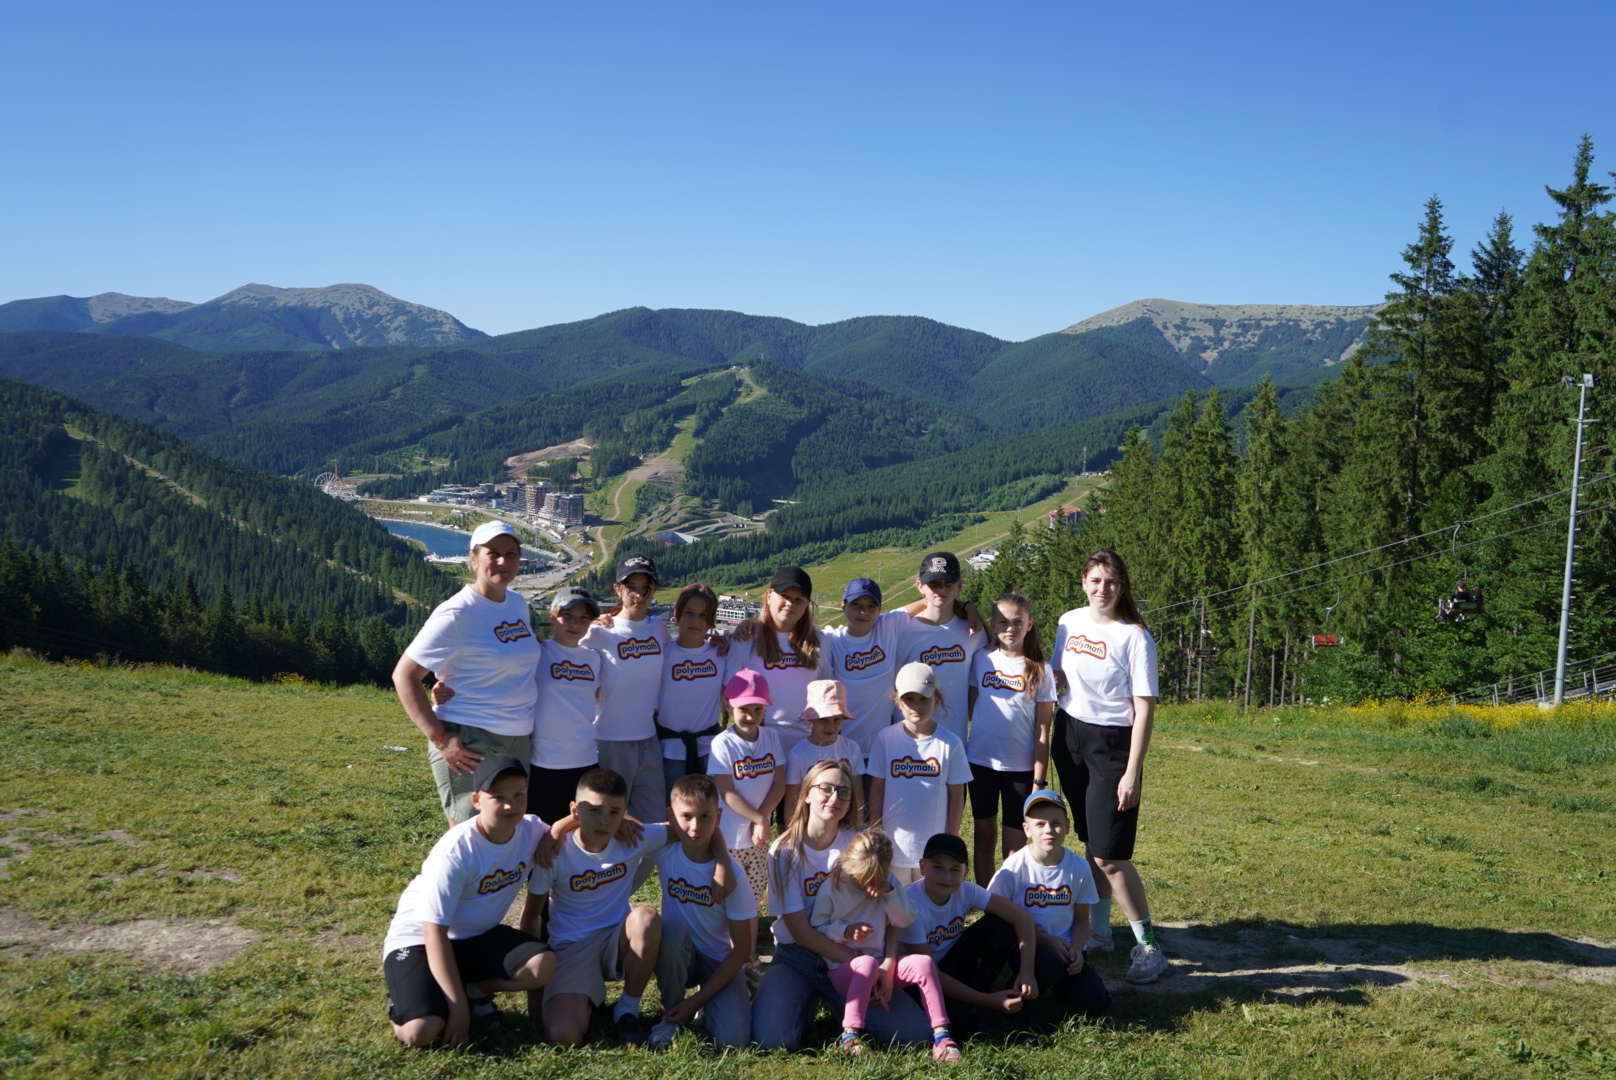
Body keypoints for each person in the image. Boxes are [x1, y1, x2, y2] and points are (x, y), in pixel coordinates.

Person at [522, 766, 729, 1046]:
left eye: (614, 812)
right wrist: (534, 989)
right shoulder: (555, 850)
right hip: (571, 948)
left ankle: (627, 1010)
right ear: (575, 809)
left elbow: (694, 827)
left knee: (645, 917)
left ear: (624, 813)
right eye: (594, 810)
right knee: (564, 1035)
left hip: (617, 942)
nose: (604, 821)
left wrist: (722, 862)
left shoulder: (632, 838)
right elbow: (531, 916)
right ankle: (584, 998)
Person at [751, 760, 936, 1051]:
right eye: (826, 788)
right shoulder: (784, 851)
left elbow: (887, 904)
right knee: (771, 1043)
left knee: (915, 1036)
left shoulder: (861, 843)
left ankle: (844, 1004)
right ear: (806, 794)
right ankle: (812, 1000)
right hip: (800, 957)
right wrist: (862, 969)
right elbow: (800, 932)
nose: (835, 798)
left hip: (860, 956)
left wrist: (886, 963)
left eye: (844, 792)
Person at [381, 754, 556, 1048]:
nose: (510, 805)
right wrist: (458, 1010)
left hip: (475, 937)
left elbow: (569, 827)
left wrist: (622, 822)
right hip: (420, 940)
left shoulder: (532, 829)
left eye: (518, 794)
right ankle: (408, 1001)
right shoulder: (456, 851)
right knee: (421, 1033)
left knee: (543, 966)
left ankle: (474, 989)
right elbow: (433, 932)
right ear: (476, 800)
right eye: (498, 797)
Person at [1051, 549, 1166, 984]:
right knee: (1091, 843)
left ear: (1123, 587)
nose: (1103, 589)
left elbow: (1145, 706)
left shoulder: (1135, 637)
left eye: (1112, 582)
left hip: (1113, 746)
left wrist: (1132, 771)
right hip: (1070, 736)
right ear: (1083, 582)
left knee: (1110, 855)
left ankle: (1149, 945)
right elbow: (1058, 674)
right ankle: (1100, 933)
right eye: (1095, 581)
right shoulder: (1069, 621)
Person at [394, 521, 541, 825]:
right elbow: (404, 675)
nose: (504, 561)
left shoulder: (516, 603)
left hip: (518, 737)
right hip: (471, 738)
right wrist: (441, 739)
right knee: (471, 836)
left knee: (507, 833)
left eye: (511, 554)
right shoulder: (457, 613)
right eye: (493, 553)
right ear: (473, 558)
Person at [809, 829, 960, 1062]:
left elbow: (904, 919)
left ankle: (942, 1036)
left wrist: (889, 892)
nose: (869, 884)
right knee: (866, 964)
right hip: (844, 969)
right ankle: (850, 1037)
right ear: (850, 864)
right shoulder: (834, 886)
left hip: (881, 965)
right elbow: (817, 927)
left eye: (876, 877)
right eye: (862, 878)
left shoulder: (888, 883)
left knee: (924, 963)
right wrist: (844, 931)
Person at [647, 774, 758, 1050]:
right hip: (678, 955)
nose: (695, 826)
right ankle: (672, 1016)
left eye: (705, 817)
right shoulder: (665, 848)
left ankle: (708, 1001)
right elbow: (623, 827)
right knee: (671, 933)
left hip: (718, 960)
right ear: (670, 816)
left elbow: (742, 949)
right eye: (686, 816)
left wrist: (696, 1001)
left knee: (732, 1042)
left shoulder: (732, 876)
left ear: (718, 816)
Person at [898, 833, 1040, 1034]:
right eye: (937, 867)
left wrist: (1027, 971)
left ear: (966, 873)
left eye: (954, 869)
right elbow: (931, 974)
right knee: (967, 1028)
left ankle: (982, 991)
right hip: (921, 980)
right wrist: (989, 1001)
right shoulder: (910, 905)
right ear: (922, 866)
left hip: (952, 964)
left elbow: (1022, 918)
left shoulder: (966, 890)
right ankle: (978, 1002)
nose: (946, 876)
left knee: (1001, 924)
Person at [986, 790, 1111, 1018]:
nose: (1048, 830)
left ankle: (1065, 985)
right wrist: (1044, 939)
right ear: (1027, 829)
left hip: (1067, 948)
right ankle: (1018, 989)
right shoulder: (1013, 868)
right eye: (1040, 824)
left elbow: (1082, 920)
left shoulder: (1079, 867)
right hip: (1027, 948)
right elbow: (996, 920)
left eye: (1055, 823)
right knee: (1048, 965)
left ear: (1067, 826)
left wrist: (1077, 950)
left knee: (1094, 1004)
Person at [965, 593, 1055, 886]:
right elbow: (972, 705)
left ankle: (1010, 904)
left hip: (1021, 769)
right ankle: (986, 900)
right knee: (984, 836)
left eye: (1018, 621)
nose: (1010, 628)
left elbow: (1043, 730)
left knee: (1014, 847)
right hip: (980, 762)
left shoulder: (1041, 670)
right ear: (993, 624)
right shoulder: (981, 659)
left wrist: (1038, 782)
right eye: (1003, 621)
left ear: (1029, 624)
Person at [581, 554, 670, 827]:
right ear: (618, 588)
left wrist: (715, 641)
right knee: (609, 826)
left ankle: (631, 872)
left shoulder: (659, 629)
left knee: (653, 827)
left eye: (647, 587)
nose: (640, 595)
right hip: (609, 741)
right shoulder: (598, 633)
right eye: (632, 587)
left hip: (649, 740)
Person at [867, 663, 969, 883]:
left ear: (937, 699)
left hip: (933, 851)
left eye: (924, 698)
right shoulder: (885, 739)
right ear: (897, 701)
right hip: (894, 847)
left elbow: (957, 794)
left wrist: (950, 838)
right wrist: (877, 833)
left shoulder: (950, 743)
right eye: (909, 699)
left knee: (927, 910)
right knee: (896, 910)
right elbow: (877, 789)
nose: (917, 706)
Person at [725, 566, 830, 755]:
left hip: (806, 746)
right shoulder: (746, 639)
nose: (791, 603)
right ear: (769, 596)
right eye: (785, 596)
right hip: (756, 744)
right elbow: (727, 692)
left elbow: (826, 695)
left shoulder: (819, 641)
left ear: (807, 605)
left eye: (799, 600)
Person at [708, 669, 785, 906]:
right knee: (727, 895)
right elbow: (727, 792)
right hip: (729, 836)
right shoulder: (722, 743)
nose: (751, 717)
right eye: (744, 709)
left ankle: (747, 938)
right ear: (729, 705)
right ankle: (725, 939)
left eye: (758, 710)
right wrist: (759, 819)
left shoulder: (771, 737)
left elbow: (779, 783)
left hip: (757, 837)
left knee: (753, 893)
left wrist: (760, 819)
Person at [529, 586, 605, 826]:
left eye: (583, 618)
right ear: (553, 617)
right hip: (544, 763)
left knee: (580, 834)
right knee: (543, 835)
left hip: (586, 760)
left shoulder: (594, 657)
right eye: (567, 616)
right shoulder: (538, 651)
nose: (575, 624)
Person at [819, 578, 908, 771]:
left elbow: (929, 602)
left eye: (871, 607)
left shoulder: (887, 627)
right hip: (841, 747)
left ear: (879, 610)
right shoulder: (831, 639)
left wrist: (967, 607)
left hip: (880, 748)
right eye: (856, 605)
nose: (863, 612)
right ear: (843, 606)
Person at [897, 553, 985, 742]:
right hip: (908, 739)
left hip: (954, 738)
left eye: (948, 583)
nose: (941, 589)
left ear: (960, 584)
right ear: (920, 586)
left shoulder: (972, 631)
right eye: (934, 583)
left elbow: (979, 680)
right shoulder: (902, 631)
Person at [655, 582, 726, 795]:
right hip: (670, 752)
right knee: (673, 813)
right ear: (676, 615)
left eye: (704, 615)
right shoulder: (662, 654)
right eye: (689, 613)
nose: (696, 621)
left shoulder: (721, 654)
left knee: (709, 815)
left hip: (710, 751)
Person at [783, 679, 866, 813]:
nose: (831, 726)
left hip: (844, 822)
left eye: (836, 719)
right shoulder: (797, 753)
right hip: (810, 825)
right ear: (811, 718)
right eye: (823, 719)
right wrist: (795, 832)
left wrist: (859, 824)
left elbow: (858, 793)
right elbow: (792, 801)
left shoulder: (852, 748)